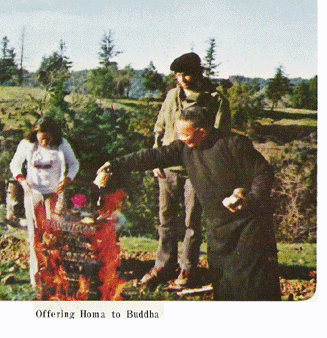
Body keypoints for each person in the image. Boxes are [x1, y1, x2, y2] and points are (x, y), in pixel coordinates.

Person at [97, 106, 281, 301]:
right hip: (218, 229)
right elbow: (152, 157)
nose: (181, 138)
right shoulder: (185, 149)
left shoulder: (233, 144)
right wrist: (114, 165)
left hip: (249, 228)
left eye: (185, 134)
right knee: (224, 286)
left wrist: (249, 199)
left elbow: (263, 172)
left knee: (253, 287)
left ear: (201, 132)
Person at [142, 52, 231, 288]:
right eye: (178, 75)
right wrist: (156, 160)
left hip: (198, 168)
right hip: (169, 168)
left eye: (187, 74)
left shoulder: (215, 100)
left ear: (199, 73)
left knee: (193, 221)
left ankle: (187, 269)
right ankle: (163, 265)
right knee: (166, 219)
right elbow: (159, 130)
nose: (182, 79)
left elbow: (222, 137)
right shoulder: (172, 96)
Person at [9, 116, 79, 286]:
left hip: (54, 193)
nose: (45, 141)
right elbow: (15, 165)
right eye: (42, 138)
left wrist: (68, 179)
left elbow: (74, 164)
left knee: (53, 233)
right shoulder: (27, 144)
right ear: (36, 134)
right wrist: (22, 181)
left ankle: (53, 274)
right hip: (33, 192)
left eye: (48, 138)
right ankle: (36, 277)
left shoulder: (62, 145)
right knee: (35, 235)